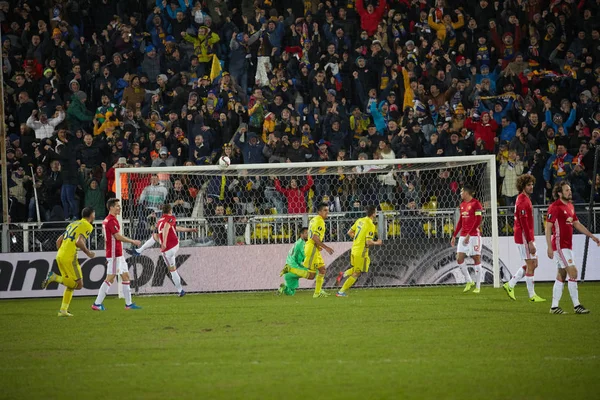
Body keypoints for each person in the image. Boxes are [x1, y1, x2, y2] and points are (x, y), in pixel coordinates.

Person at [545, 181, 600, 314]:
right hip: (559, 246)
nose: (569, 192)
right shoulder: (555, 207)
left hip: (567, 246)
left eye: (569, 189)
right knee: (573, 272)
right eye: (566, 190)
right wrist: (549, 247)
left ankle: (554, 307)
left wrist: (591, 236)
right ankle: (577, 306)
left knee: (562, 274)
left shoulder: (570, 206)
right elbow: (548, 227)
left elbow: (576, 223)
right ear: (560, 193)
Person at [41, 207, 96, 317]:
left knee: (70, 284)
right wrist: (88, 252)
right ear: (91, 215)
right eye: (94, 214)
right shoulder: (88, 226)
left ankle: (63, 310)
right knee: (79, 284)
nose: (94, 216)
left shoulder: (73, 224)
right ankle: (54, 277)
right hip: (70, 257)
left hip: (60, 255)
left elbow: (58, 241)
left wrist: (63, 252)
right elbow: (79, 241)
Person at [91, 199, 142, 311]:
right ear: (111, 208)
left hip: (117, 253)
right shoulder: (110, 221)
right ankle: (97, 303)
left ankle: (128, 304)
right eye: (117, 206)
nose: (119, 208)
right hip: (114, 254)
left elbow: (108, 239)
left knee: (126, 276)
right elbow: (117, 237)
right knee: (111, 277)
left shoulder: (109, 220)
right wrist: (133, 241)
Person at [503, 175, 546, 302]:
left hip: (526, 236)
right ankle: (532, 295)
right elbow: (524, 224)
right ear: (523, 186)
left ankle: (510, 284)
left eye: (532, 184)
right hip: (523, 237)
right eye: (528, 185)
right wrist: (530, 241)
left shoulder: (525, 198)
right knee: (531, 264)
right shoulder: (522, 201)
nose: (531, 187)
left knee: (534, 263)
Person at [281, 203, 334, 298]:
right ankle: (290, 269)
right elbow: (314, 237)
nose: (327, 212)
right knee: (312, 275)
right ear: (319, 212)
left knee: (322, 270)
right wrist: (326, 247)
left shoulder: (313, 220)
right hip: (312, 248)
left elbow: (312, 235)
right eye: (325, 210)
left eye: (328, 210)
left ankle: (317, 293)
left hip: (314, 248)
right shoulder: (320, 221)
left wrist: (319, 246)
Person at [336, 205, 382, 297]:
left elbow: (349, 232)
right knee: (357, 272)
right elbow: (368, 242)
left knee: (361, 268)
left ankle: (343, 274)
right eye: (376, 212)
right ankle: (341, 292)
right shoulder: (371, 225)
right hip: (361, 251)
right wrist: (377, 242)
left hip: (354, 249)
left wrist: (358, 239)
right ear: (373, 213)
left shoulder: (359, 220)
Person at [157, 203, 198, 296]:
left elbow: (166, 227)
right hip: (175, 245)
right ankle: (180, 291)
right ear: (170, 210)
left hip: (168, 249)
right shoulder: (171, 218)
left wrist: (163, 243)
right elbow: (174, 228)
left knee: (172, 270)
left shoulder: (160, 221)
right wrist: (190, 230)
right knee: (173, 269)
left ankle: (180, 290)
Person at [451, 185, 484, 293]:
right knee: (459, 258)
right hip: (463, 235)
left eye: (461, 192)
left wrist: (469, 234)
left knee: (476, 258)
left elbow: (478, 220)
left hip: (474, 235)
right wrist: (454, 235)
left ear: (466, 193)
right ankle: (469, 280)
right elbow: (460, 221)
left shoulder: (476, 204)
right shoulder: (462, 205)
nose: (460, 194)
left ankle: (478, 286)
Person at [277, 227, 309, 296]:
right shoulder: (302, 244)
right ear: (301, 234)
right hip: (294, 268)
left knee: (291, 293)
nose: (308, 235)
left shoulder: (297, 243)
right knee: (316, 271)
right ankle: (319, 291)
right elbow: (306, 257)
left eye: (309, 233)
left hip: (287, 269)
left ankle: (284, 287)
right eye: (306, 233)